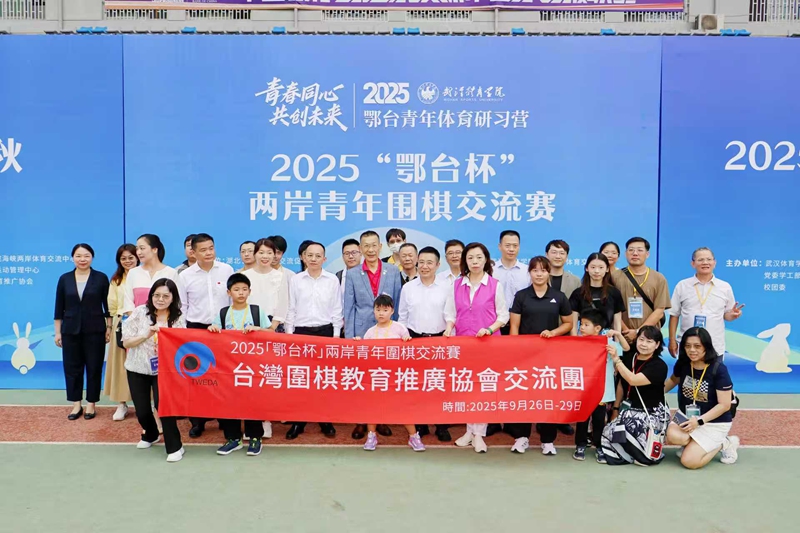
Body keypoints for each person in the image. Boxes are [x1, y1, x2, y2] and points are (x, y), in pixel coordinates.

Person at [444, 242, 509, 453]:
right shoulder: (456, 285)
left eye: (479, 257)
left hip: (488, 344)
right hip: (463, 344)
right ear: (465, 261)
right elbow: (451, 313)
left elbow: (503, 316)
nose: (475, 261)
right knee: (467, 387)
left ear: (486, 260)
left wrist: (489, 329)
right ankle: (469, 431)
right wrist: (449, 327)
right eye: (470, 257)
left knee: (484, 388)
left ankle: (479, 434)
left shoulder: (494, 285)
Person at [507, 256, 573, 456]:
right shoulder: (521, 296)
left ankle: (548, 440)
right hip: (525, 355)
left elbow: (568, 323)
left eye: (543, 270)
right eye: (535, 270)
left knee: (548, 396)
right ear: (530, 273)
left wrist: (553, 333)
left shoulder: (559, 296)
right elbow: (514, 326)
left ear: (548, 273)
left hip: (550, 355)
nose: (539, 274)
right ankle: (521, 437)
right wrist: (515, 351)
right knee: (523, 395)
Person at [344, 230, 402, 440]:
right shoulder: (352, 274)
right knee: (362, 380)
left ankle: (382, 419)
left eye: (373, 245)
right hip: (361, 335)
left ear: (380, 247)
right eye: (366, 246)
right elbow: (348, 307)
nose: (370, 249)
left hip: (387, 335)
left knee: (383, 378)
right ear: (361, 249)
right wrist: (350, 339)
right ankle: (362, 421)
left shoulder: (392, 271)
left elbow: (398, 303)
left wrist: (397, 332)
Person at [121, 278, 185, 463]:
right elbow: (126, 342)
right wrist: (146, 334)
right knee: (141, 410)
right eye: (157, 295)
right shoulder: (140, 312)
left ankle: (176, 447)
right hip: (137, 368)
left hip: (164, 371)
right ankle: (150, 434)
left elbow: (182, 344)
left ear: (173, 298)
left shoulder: (178, 317)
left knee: (163, 407)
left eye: (166, 296)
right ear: (151, 296)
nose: (160, 299)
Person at [284, 242, 342, 440]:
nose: (314, 259)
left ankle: (324, 419)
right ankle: (298, 421)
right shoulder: (296, 280)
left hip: (325, 332)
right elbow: (291, 308)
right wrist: (290, 335)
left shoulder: (332, 280)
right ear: (303, 257)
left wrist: (336, 336)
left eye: (318, 256)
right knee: (301, 379)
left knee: (323, 379)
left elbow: (337, 309)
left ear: (324, 259)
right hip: (301, 333)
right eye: (310, 255)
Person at [178, 233, 234, 437]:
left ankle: (224, 417)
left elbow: (232, 302)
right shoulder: (185, 276)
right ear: (193, 253)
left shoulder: (226, 270)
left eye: (211, 248)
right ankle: (198, 421)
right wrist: (183, 334)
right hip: (196, 330)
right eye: (203, 250)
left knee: (222, 376)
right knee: (197, 378)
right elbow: (182, 307)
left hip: (223, 330)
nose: (209, 253)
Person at [398, 246, 455, 442]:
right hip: (414, 340)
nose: (424, 266)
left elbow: (451, 314)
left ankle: (441, 425)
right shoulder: (408, 288)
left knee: (439, 384)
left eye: (429, 263)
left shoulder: (447, 287)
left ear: (438, 265)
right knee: (418, 385)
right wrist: (404, 338)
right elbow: (403, 317)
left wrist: (449, 331)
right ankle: (421, 424)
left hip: (440, 339)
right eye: (421, 262)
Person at [208, 273, 269, 457]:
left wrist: (259, 329)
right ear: (229, 292)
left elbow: (272, 333)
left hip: (252, 366)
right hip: (228, 366)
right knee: (228, 401)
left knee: (252, 401)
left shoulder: (257, 311)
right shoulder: (223, 313)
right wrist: (212, 329)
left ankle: (255, 437)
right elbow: (213, 334)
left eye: (244, 289)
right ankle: (233, 438)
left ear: (250, 291)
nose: (241, 293)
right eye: (236, 290)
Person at [354, 295, 422, 452]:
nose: (381, 313)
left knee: (402, 406)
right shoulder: (370, 332)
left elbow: (409, 352)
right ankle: (371, 435)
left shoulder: (400, 328)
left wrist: (407, 340)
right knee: (373, 406)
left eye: (385, 310)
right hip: (377, 376)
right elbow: (364, 354)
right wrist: (358, 343)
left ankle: (413, 436)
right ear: (373, 311)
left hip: (396, 376)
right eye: (378, 310)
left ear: (392, 311)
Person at [665, 327, 740, 468]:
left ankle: (724, 443)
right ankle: (694, 445)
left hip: (714, 422)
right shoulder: (683, 363)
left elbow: (724, 405)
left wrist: (699, 421)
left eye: (697, 346)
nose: (692, 350)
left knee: (689, 462)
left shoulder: (718, 369)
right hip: (685, 414)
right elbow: (673, 380)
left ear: (706, 346)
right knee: (672, 436)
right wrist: (652, 394)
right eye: (688, 346)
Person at [54, 244, 111, 421]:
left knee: (94, 367)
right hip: (70, 330)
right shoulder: (64, 279)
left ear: (92, 257)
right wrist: (58, 332)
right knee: (72, 368)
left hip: (95, 330)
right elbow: (58, 308)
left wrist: (109, 328)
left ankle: (91, 403)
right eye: (78, 256)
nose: (82, 259)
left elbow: (108, 306)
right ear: (72, 258)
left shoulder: (101, 278)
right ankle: (76, 404)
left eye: (86, 255)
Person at [602, 326, 669, 466]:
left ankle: (643, 454)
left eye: (649, 341)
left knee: (632, 429)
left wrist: (616, 360)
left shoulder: (659, 366)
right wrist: (615, 409)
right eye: (641, 339)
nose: (644, 344)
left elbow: (632, 380)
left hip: (651, 412)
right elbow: (622, 384)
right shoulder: (631, 357)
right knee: (608, 433)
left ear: (657, 345)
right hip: (628, 409)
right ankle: (631, 453)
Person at [572, 309, 629, 464]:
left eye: (586, 325)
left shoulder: (607, 343)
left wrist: (617, 334)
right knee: (582, 419)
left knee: (599, 420)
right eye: (581, 324)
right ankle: (580, 445)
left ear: (597, 328)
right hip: (583, 390)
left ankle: (599, 446)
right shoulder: (578, 342)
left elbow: (626, 348)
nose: (582, 327)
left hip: (602, 391)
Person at [668, 247, 743, 358]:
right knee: (686, 370)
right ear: (693, 263)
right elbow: (674, 315)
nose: (705, 262)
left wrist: (733, 315)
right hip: (688, 346)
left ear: (714, 263)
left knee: (713, 370)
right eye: (700, 260)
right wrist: (672, 340)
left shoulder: (724, 287)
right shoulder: (682, 285)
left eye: (709, 259)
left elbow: (726, 315)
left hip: (714, 345)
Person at [544, 239, 580, 436]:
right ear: (547, 254)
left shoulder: (574, 281)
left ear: (567, 257)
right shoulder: (538, 275)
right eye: (554, 252)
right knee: (544, 378)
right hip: (541, 335)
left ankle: (561, 418)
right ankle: (543, 418)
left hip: (566, 335)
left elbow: (577, 310)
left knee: (562, 380)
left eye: (562, 253)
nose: (557, 256)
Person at [611, 237, 671, 351]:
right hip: (622, 337)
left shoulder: (659, 278)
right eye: (631, 250)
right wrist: (626, 331)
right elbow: (612, 308)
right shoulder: (615, 277)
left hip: (649, 339)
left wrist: (639, 332)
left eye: (639, 250)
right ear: (625, 253)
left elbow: (659, 310)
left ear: (647, 254)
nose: (635, 253)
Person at [104, 243, 138, 421]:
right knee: (120, 365)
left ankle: (144, 403)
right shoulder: (116, 280)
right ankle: (122, 404)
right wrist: (110, 327)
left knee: (143, 364)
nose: (127, 261)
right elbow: (111, 307)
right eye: (123, 258)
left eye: (131, 257)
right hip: (121, 323)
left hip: (142, 324)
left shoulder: (144, 276)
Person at [568, 252, 625, 336]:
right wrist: (575, 341)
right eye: (593, 267)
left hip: (607, 338)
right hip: (584, 338)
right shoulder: (578, 293)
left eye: (601, 267)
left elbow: (617, 323)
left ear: (607, 269)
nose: (596, 271)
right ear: (587, 268)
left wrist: (617, 342)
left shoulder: (614, 292)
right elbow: (573, 324)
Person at [124, 234, 182, 313]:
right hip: (137, 320)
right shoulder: (133, 273)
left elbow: (178, 301)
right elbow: (128, 303)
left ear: (154, 249)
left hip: (165, 320)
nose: (138, 252)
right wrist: (137, 319)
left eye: (142, 248)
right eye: (137, 249)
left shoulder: (171, 273)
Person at [243, 238, 289, 332]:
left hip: (273, 326)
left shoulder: (280, 277)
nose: (265, 256)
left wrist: (272, 328)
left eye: (269, 253)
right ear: (255, 254)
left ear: (273, 255)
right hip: (248, 324)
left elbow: (283, 305)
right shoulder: (245, 276)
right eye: (261, 252)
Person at [493, 230, 531, 336]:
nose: (511, 249)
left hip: (522, 322)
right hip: (495, 323)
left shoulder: (527, 271)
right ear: (500, 246)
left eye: (515, 246)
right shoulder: (491, 270)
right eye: (507, 245)